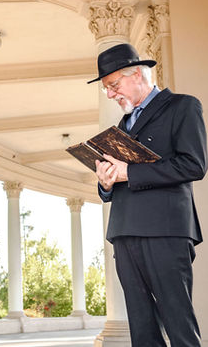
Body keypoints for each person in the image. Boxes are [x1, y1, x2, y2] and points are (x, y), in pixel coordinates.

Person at [89, 43, 207, 346]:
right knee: (141, 329)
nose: (111, 94)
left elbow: (194, 164)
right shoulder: (122, 125)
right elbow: (117, 183)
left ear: (139, 74)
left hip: (166, 231)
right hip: (125, 231)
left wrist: (131, 173)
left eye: (114, 85)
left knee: (178, 324)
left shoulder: (183, 106)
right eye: (107, 89)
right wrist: (106, 182)